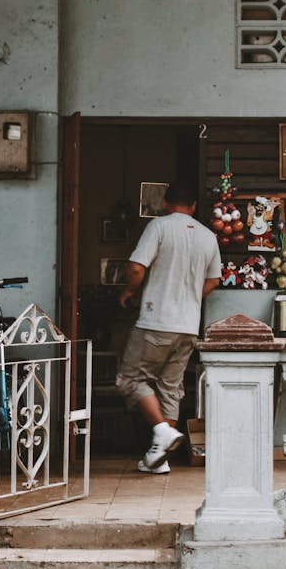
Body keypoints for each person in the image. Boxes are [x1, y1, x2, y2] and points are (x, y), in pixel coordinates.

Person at [116, 182, 221, 474]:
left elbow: (137, 267)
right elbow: (213, 280)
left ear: (165, 203)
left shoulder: (159, 227)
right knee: (170, 388)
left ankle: (162, 430)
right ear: (194, 207)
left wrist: (128, 292)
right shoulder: (207, 236)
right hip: (188, 326)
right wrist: (187, 297)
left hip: (156, 321)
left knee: (130, 379)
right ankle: (158, 458)